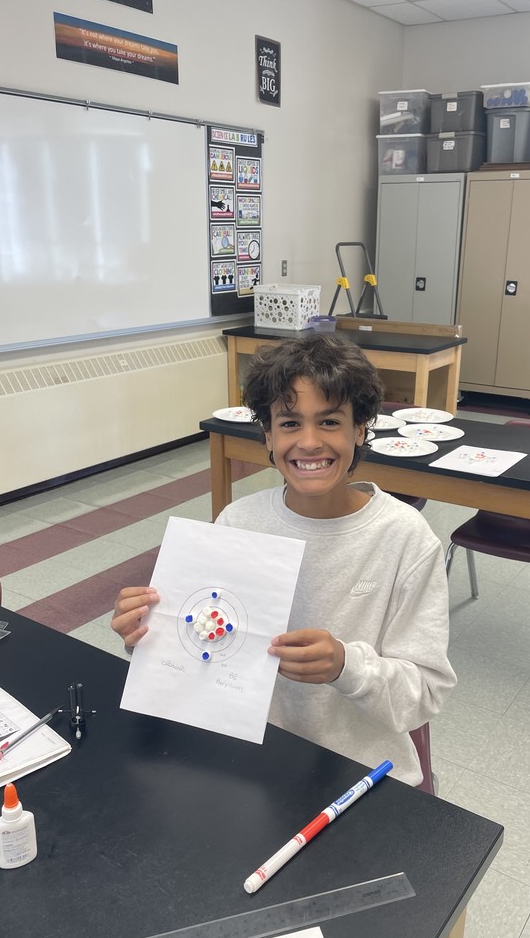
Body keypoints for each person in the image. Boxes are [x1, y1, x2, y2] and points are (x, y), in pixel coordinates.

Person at [111, 333, 455, 787]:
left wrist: (345, 667)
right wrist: (150, 637)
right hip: (250, 760)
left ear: (360, 429)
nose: (309, 442)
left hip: (361, 773)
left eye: (330, 422)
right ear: (268, 436)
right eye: (290, 424)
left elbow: (424, 695)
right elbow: (206, 645)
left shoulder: (404, 539)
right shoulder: (238, 522)